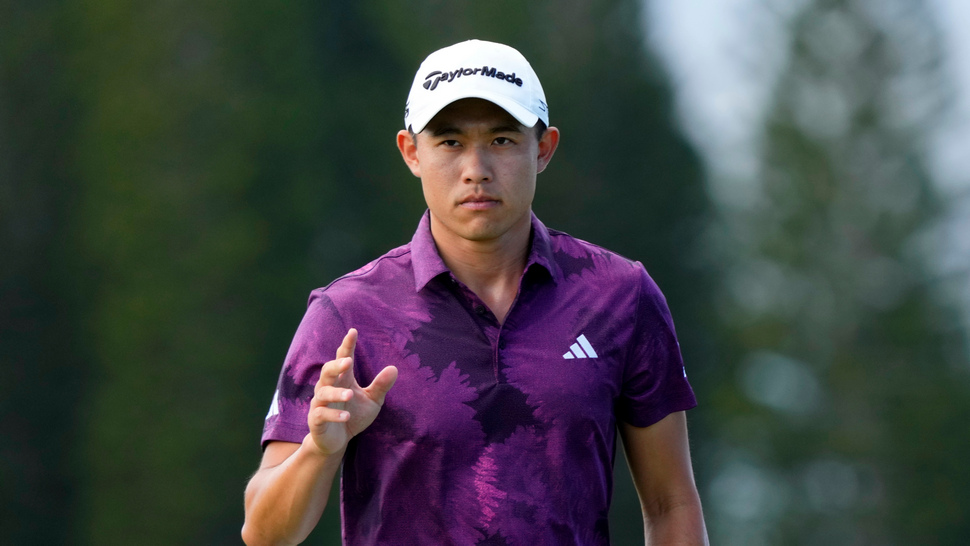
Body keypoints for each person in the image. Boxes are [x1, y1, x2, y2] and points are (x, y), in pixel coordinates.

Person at [242, 39, 708, 546]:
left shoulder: (620, 296)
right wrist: (320, 448)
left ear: (544, 148)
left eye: (503, 140)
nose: (476, 169)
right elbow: (265, 533)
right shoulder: (347, 313)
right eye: (449, 142)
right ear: (411, 152)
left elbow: (671, 504)